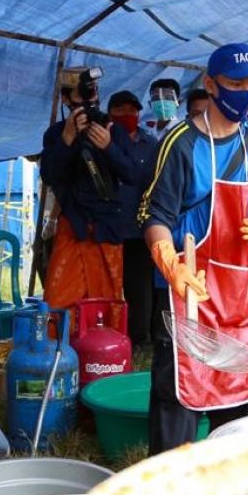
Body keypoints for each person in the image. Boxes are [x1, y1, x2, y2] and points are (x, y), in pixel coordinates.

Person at [140, 43, 248, 452]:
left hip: (241, 298)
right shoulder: (181, 144)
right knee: (179, 401)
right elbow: (155, 217)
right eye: (236, 83)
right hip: (188, 292)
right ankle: (170, 490)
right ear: (211, 85)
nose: (247, 93)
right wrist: (168, 261)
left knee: (239, 403)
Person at [40, 67, 135, 312]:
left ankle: (103, 349)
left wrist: (109, 148)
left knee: (106, 302)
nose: (89, 100)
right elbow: (50, 176)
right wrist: (67, 139)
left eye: (92, 93)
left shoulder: (114, 131)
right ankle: (62, 349)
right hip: (73, 227)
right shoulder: (55, 134)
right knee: (59, 301)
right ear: (65, 99)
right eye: (82, 94)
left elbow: (133, 175)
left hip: (107, 229)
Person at [108, 89, 158, 345]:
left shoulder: (151, 144)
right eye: (120, 110)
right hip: (106, 227)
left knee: (139, 288)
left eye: (132, 110)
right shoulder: (101, 140)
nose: (127, 114)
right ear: (110, 113)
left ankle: (137, 340)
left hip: (138, 228)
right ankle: (108, 337)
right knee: (108, 288)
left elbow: (152, 183)